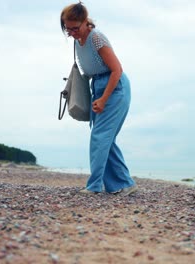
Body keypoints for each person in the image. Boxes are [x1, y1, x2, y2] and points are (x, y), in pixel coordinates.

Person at [60, 2, 137, 196]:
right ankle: (126, 184)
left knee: (99, 137)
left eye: (75, 28)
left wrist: (103, 98)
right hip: (97, 86)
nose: (72, 33)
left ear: (85, 22)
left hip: (114, 87)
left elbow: (117, 70)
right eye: (67, 29)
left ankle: (94, 186)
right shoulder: (78, 42)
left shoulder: (97, 38)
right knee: (106, 139)